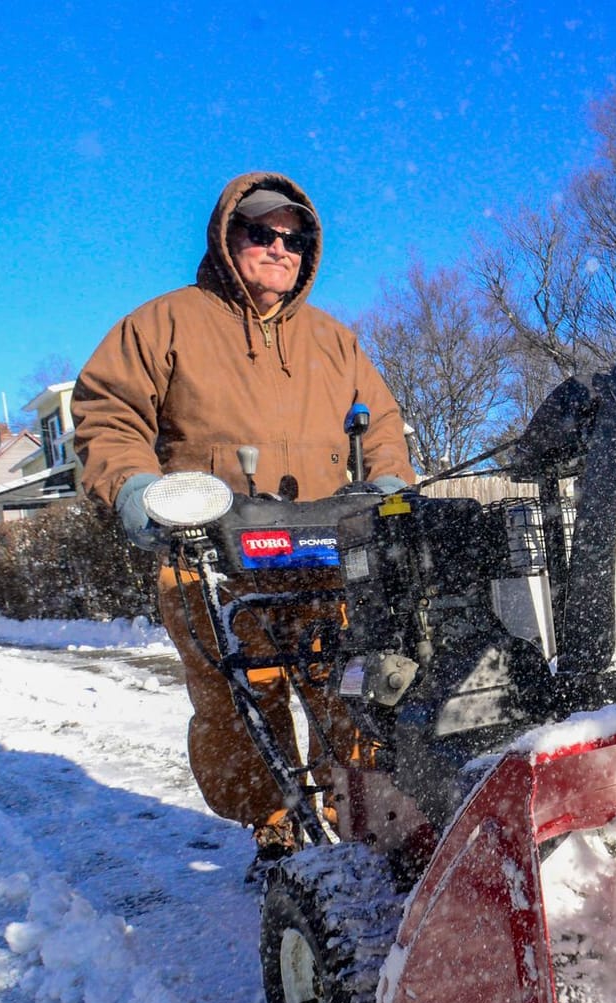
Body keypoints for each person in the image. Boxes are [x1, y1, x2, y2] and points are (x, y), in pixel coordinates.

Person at [72, 172, 416, 866]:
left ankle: (347, 812)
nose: (278, 248)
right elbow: (108, 415)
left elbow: (381, 422)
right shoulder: (166, 323)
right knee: (241, 705)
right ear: (228, 238)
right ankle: (277, 830)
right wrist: (137, 489)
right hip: (211, 558)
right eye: (260, 232)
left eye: (294, 239)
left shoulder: (334, 340)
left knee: (349, 683)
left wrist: (385, 484)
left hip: (323, 548)